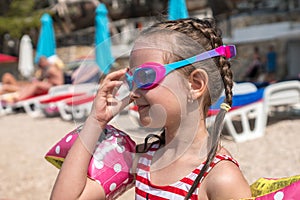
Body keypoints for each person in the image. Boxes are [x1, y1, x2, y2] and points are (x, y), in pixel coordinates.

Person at [50, 18, 252, 199]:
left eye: (145, 77)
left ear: (195, 84)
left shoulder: (221, 178)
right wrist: (96, 120)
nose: (134, 92)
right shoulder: (142, 160)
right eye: (130, 80)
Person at [0, 56, 65, 101]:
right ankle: (20, 94)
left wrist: (41, 73)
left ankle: (20, 97)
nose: (40, 64)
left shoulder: (51, 68)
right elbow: (42, 78)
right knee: (33, 84)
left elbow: (43, 78)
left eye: (41, 62)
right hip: (53, 85)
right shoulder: (52, 68)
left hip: (55, 86)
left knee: (35, 84)